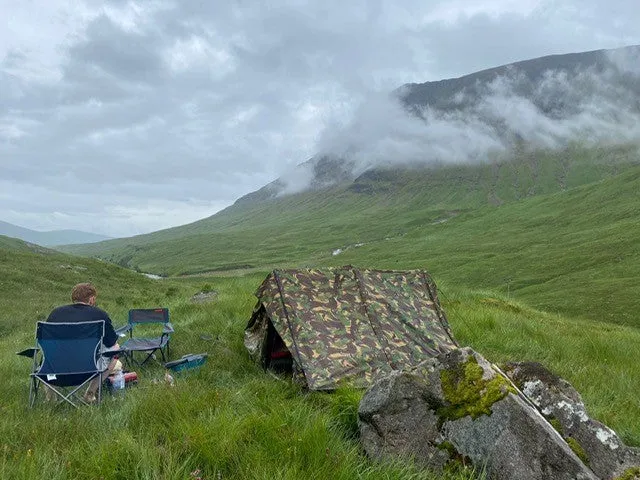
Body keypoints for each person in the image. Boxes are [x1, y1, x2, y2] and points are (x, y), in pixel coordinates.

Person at [47, 282, 120, 403]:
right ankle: (90, 394)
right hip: (88, 370)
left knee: (48, 354)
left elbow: (48, 344)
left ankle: (51, 399)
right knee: (116, 348)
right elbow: (111, 342)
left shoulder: (56, 313)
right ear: (91, 299)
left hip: (55, 370)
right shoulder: (100, 314)